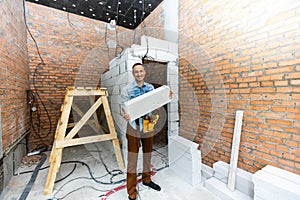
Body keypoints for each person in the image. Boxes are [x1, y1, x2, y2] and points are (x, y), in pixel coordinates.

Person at [121, 63, 161, 200]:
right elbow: (123, 108)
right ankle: (131, 192)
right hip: (133, 125)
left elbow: (156, 102)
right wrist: (124, 114)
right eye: (136, 72)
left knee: (147, 154)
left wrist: (167, 95)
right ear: (133, 74)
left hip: (148, 124)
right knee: (132, 159)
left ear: (144, 72)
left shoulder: (150, 88)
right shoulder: (127, 89)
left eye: (141, 71)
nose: (139, 74)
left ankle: (147, 180)